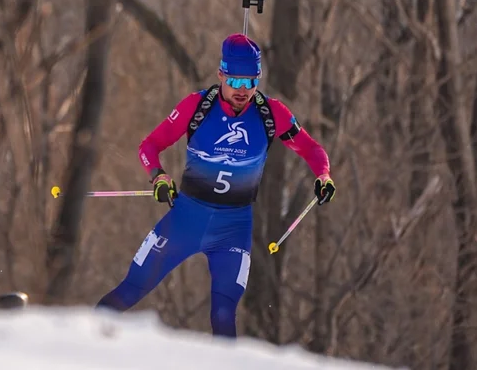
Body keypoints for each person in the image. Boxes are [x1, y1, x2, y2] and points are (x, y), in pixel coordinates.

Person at [95, 33, 336, 338]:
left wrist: (323, 175)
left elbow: (312, 149)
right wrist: (158, 176)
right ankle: (71, 351)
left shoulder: (271, 114)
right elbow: (150, 146)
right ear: (221, 74)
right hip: (185, 220)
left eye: (251, 82)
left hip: (233, 229)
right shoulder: (197, 106)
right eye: (235, 81)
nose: (243, 91)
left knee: (223, 315)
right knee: (130, 290)